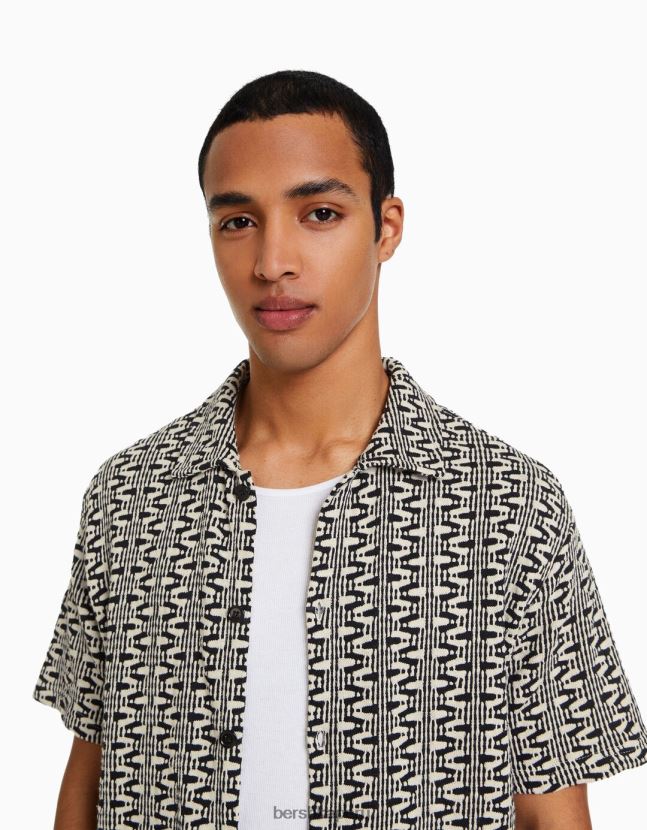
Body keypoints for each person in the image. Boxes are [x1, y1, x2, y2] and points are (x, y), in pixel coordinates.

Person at [33, 69, 647, 830]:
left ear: (386, 228)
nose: (272, 262)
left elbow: (553, 815)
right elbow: (87, 781)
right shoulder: (130, 499)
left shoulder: (506, 508)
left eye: (319, 213)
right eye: (238, 221)